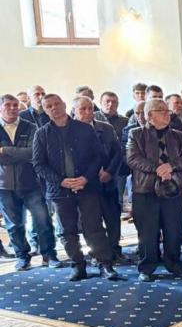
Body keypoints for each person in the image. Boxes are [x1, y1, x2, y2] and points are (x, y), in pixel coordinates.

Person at [33, 93, 118, 281]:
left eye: (57, 104)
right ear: (45, 110)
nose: (54, 108)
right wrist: (60, 181)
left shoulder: (84, 129)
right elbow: (39, 164)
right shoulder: (41, 134)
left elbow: (98, 157)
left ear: (64, 105)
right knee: (67, 230)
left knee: (94, 227)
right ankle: (78, 265)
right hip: (59, 190)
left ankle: (104, 264)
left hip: (88, 186)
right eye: (49, 106)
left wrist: (85, 178)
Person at [126, 99, 182, 281]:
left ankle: (174, 264)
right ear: (149, 115)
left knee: (173, 229)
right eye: (161, 110)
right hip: (146, 189)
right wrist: (158, 169)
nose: (167, 113)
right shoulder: (136, 134)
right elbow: (132, 158)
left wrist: (171, 166)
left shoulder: (178, 135)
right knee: (147, 232)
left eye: (167, 110)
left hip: (173, 187)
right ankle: (147, 268)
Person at [0, 94, 60, 270]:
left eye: (15, 105)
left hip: (31, 183)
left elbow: (33, 153)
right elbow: (24, 154)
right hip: (4, 186)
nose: (12, 108)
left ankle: (49, 255)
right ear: (0, 108)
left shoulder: (31, 126)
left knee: (43, 221)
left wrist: (4, 151)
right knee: (14, 225)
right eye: (8, 105)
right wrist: (19, 153)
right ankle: (22, 257)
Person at [74, 97, 125, 263]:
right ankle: (98, 254)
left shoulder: (105, 128)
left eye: (90, 108)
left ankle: (114, 249)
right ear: (74, 111)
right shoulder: (70, 130)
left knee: (113, 218)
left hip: (107, 182)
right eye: (83, 109)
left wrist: (109, 172)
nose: (88, 112)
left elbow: (117, 153)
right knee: (91, 222)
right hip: (85, 185)